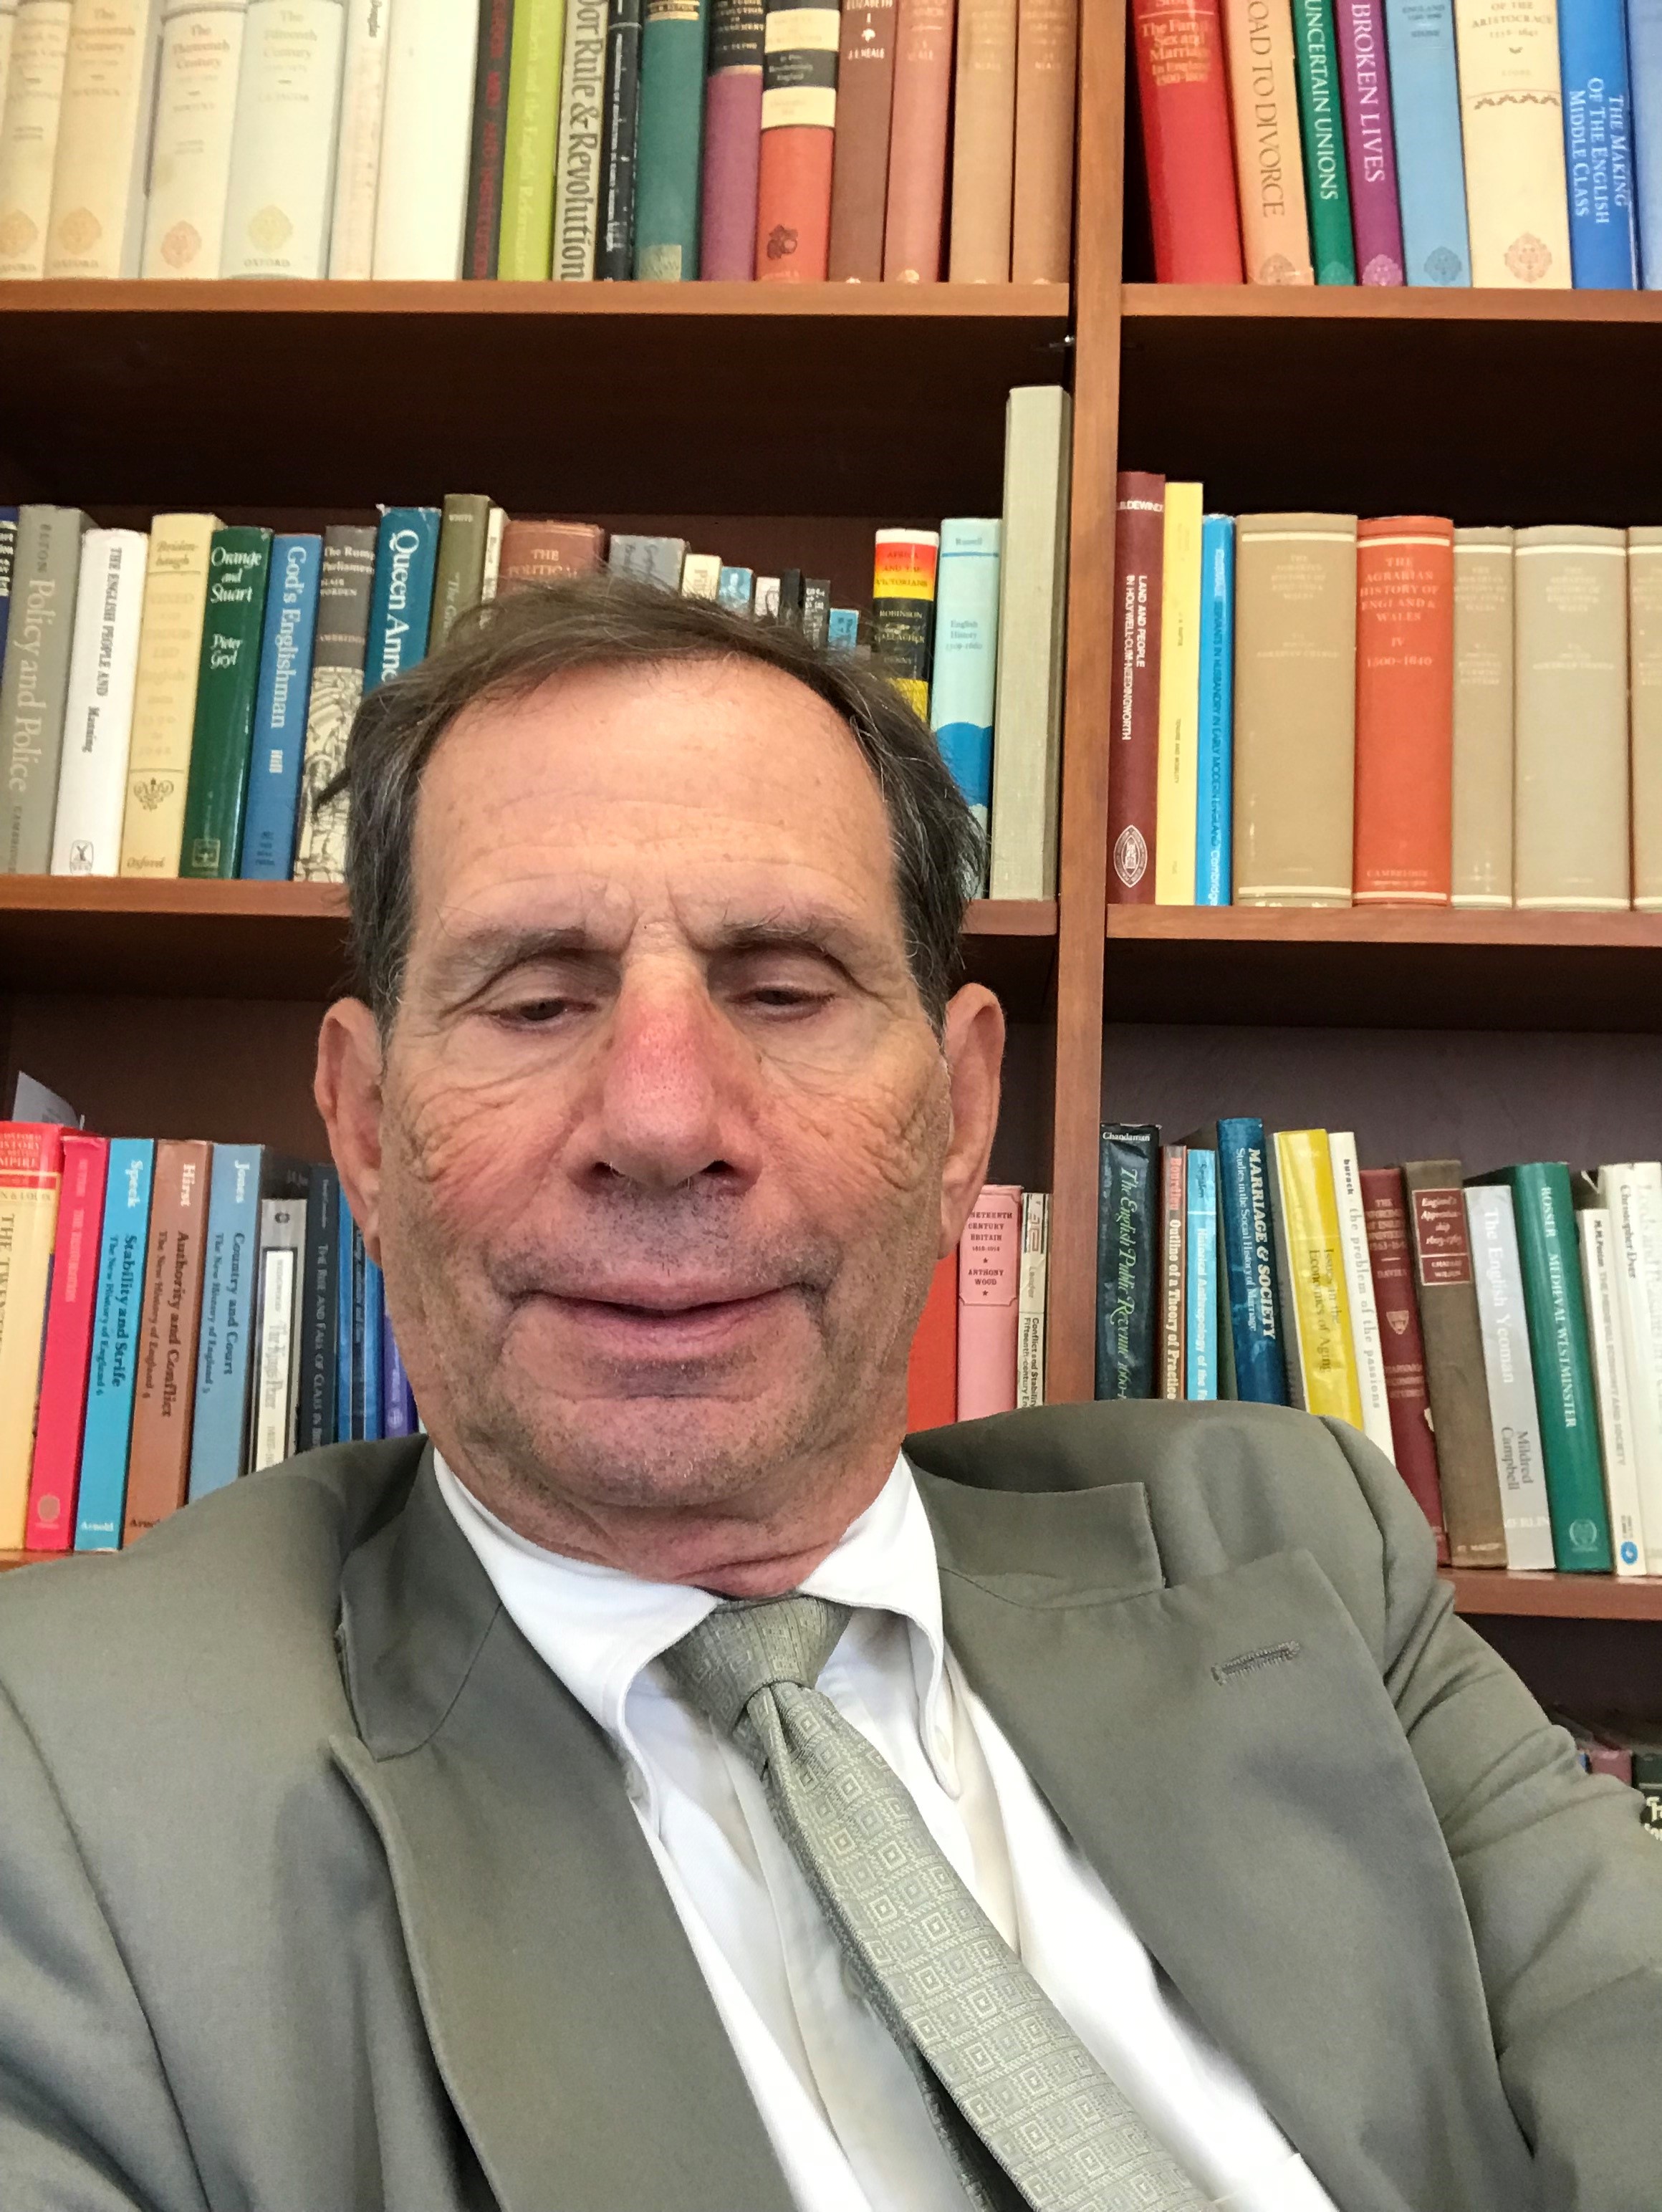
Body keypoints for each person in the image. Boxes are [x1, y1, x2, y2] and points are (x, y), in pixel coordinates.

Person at [0, 578, 1657, 2212]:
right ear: (366, 1130)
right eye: (537, 997)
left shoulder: (1287, 1534)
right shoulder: (69, 1773)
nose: (662, 1121)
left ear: (957, 1118)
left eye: (783, 987)